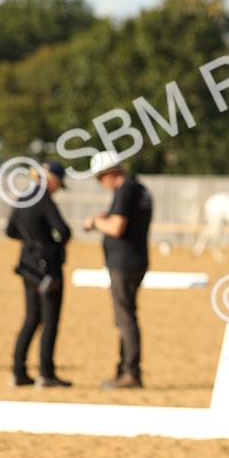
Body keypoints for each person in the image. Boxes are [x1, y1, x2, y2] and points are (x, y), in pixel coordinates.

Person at [83, 152, 152, 389]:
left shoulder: (125, 190)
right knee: (126, 316)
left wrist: (94, 222)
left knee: (125, 318)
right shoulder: (139, 188)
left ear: (109, 174)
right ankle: (126, 369)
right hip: (135, 260)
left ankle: (130, 372)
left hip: (124, 263)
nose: (101, 184)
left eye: (100, 179)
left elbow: (117, 227)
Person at [7, 159, 72, 387]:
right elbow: (63, 231)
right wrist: (48, 242)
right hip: (47, 268)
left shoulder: (22, 197)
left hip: (27, 265)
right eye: (58, 184)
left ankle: (18, 371)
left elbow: (10, 230)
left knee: (31, 318)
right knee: (50, 320)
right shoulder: (43, 199)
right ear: (51, 180)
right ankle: (46, 373)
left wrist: (30, 242)